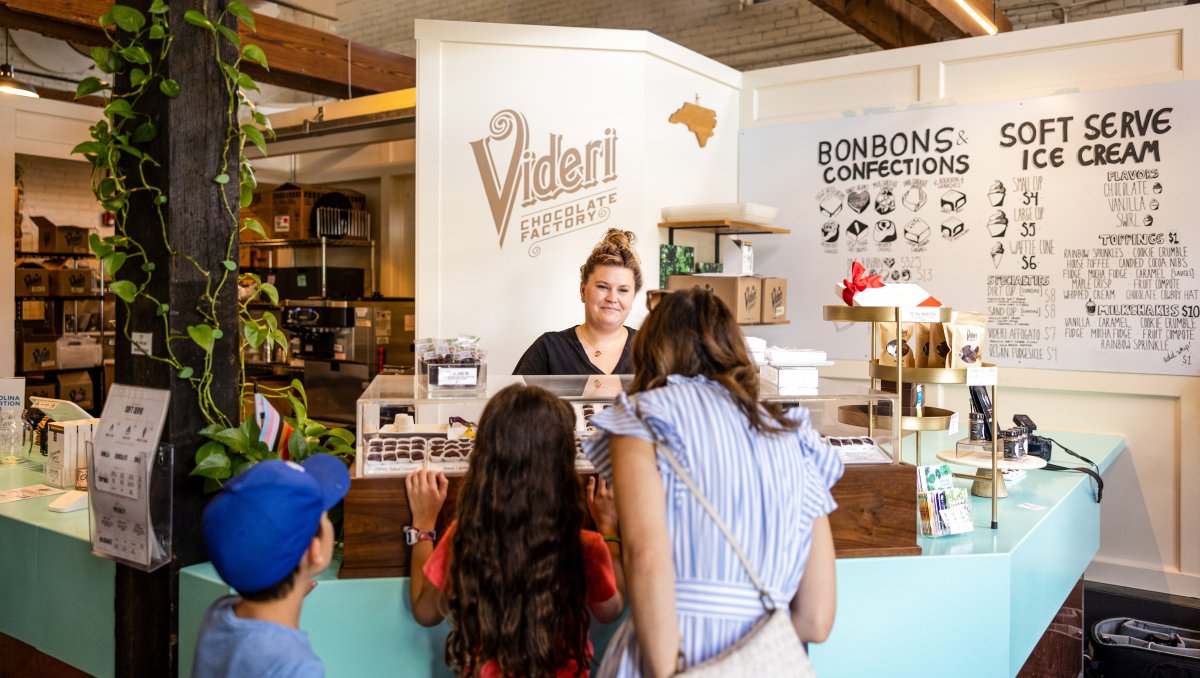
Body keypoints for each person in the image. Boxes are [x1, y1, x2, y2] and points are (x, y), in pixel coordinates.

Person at [584, 286, 842, 677]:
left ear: (652, 347)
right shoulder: (794, 434)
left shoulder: (643, 418)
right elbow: (816, 620)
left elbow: (645, 558)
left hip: (674, 657)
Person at [406, 384, 626, 677]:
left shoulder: (466, 537)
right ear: (563, 463)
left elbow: (425, 612)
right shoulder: (585, 545)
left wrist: (423, 524)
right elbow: (610, 611)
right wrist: (609, 528)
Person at [194, 455, 351, 678]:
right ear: (313, 551)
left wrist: (291, 590)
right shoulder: (298, 667)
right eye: (323, 514)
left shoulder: (220, 615)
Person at [514, 229, 644, 375]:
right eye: (602, 286)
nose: (612, 298)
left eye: (623, 290)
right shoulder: (549, 349)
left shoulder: (650, 350)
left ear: (633, 297)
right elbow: (512, 398)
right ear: (583, 290)